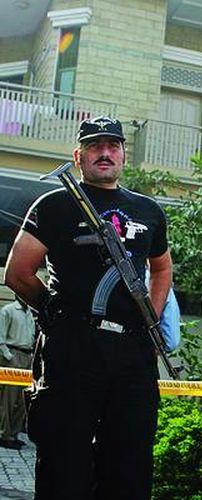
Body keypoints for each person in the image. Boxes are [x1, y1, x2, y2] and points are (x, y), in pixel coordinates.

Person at [3, 116, 172, 499]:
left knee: (129, 466)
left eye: (113, 146)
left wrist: (151, 315)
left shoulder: (147, 210)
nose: (105, 153)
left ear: (124, 154)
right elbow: (18, 272)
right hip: (74, 349)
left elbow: (162, 267)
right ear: (78, 156)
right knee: (64, 464)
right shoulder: (54, 205)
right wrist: (55, 314)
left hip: (132, 351)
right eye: (95, 146)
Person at [0, 297, 35, 450]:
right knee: (8, 399)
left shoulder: (29, 313)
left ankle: (14, 434)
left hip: (27, 356)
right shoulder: (8, 310)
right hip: (14, 355)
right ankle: (4, 434)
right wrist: (9, 356)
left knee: (22, 400)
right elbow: (0, 337)